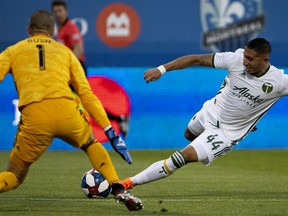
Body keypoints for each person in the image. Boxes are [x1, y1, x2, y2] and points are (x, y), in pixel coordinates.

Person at [0, 10, 143, 211]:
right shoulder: (65, 52)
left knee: (14, 175)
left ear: (28, 29)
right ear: (52, 30)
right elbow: (86, 94)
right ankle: (118, 188)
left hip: (36, 117)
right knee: (91, 143)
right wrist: (109, 130)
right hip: (67, 111)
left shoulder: (11, 51)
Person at [121, 38, 288, 190]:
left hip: (226, 133)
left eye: (250, 59)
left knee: (179, 158)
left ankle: (128, 183)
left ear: (265, 61)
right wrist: (161, 69)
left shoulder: (279, 82)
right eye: (245, 56)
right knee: (188, 134)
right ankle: (203, 145)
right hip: (211, 111)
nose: (245, 61)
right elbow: (197, 59)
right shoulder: (235, 60)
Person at [51, 0, 131, 148]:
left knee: (82, 101)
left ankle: (115, 121)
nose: (58, 14)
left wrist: (66, 66)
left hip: (76, 68)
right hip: (70, 69)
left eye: (60, 10)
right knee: (81, 102)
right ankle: (118, 119)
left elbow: (79, 48)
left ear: (66, 11)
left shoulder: (70, 27)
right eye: (55, 11)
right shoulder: (62, 29)